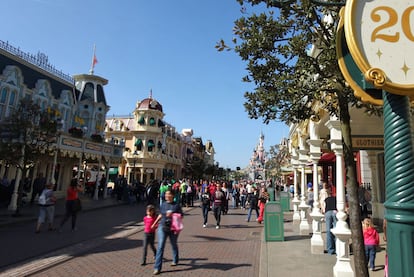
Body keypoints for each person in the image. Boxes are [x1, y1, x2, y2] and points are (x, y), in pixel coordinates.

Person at [151, 189, 183, 275]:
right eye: (165, 194)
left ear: (172, 195)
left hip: (173, 228)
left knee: (173, 244)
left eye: (168, 194)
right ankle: (157, 268)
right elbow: (161, 215)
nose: (166, 196)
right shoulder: (163, 204)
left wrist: (173, 214)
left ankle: (175, 259)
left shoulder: (176, 205)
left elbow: (181, 216)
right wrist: (154, 223)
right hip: (163, 227)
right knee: (160, 246)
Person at [324, 191, 337, 255]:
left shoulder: (326, 199)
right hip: (335, 211)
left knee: (328, 231)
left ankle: (330, 249)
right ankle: (337, 248)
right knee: (336, 230)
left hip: (328, 211)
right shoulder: (337, 198)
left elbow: (324, 207)